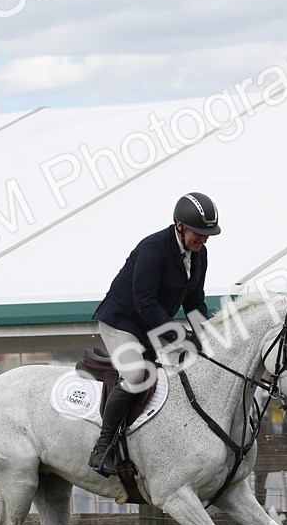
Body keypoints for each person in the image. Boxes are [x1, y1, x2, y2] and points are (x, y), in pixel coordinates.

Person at [89, 192, 220, 476]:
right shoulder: (153, 248)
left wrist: (205, 337)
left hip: (149, 324)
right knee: (137, 375)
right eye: (199, 233)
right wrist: (178, 335)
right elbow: (144, 301)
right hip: (121, 322)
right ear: (179, 225)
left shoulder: (200, 254)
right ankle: (103, 447)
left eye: (208, 235)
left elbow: (195, 301)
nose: (204, 240)